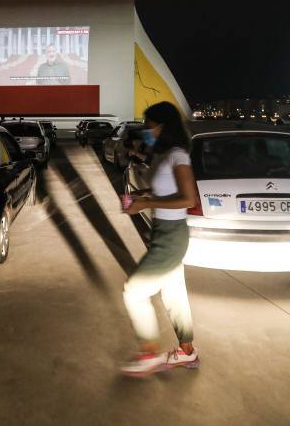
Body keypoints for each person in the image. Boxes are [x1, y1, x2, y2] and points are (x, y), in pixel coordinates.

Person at [120, 101, 200, 376]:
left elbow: (188, 199)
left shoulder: (178, 156)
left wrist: (146, 204)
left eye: (148, 125)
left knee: (134, 292)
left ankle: (149, 353)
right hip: (164, 232)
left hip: (172, 235)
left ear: (162, 127)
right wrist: (143, 196)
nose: (145, 130)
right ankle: (187, 352)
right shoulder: (164, 154)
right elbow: (164, 192)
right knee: (174, 292)